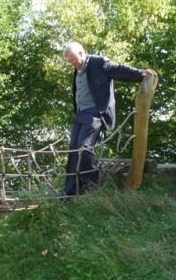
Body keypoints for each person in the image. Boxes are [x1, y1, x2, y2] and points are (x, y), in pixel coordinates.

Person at [62, 42, 157, 196]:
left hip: (95, 112)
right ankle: (70, 191)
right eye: (69, 61)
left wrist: (140, 73)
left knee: (84, 148)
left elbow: (118, 69)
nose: (72, 63)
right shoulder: (78, 68)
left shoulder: (98, 62)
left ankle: (93, 184)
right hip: (80, 113)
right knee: (73, 149)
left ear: (81, 53)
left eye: (73, 59)